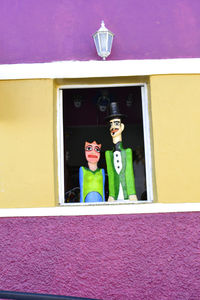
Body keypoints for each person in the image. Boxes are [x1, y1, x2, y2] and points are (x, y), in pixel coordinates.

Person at [105, 102, 137, 202]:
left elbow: (129, 173)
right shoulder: (108, 154)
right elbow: (110, 175)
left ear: (122, 127)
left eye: (116, 123)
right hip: (115, 197)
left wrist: (132, 193)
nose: (113, 127)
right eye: (111, 124)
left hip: (127, 196)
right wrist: (111, 195)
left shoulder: (127, 152)